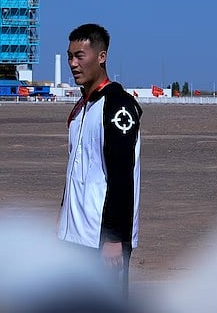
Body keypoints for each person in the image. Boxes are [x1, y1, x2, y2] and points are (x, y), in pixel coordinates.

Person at [57, 23, 142, 297]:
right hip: (73, 237)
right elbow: (75, 173)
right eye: (70, 56)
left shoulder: (118, 105)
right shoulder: (81, 108)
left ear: (101, 57)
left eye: (80, 56)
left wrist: (114, 238)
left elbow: (121, 176)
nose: (73, 63)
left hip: (102, 240)